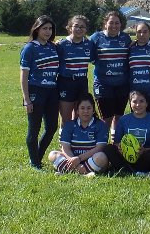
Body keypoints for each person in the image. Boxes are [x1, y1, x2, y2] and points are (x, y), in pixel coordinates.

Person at [20, 15, 60, 169]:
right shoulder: (30, 48)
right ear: (36, 29)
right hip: (36, 91)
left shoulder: (53, 47)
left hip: (52, 92)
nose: (48, 31)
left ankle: (37, 156)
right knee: (34, 128)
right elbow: (23, 76)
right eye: (45, 28)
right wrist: (26, 99)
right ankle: (35, 162)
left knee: (51, 127)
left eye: (50, 29)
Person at [89, 11, 132, 139]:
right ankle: (100, 146)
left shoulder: (125, 38)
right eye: (111, 22)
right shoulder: (96, 37)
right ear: (105, 24)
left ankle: (115, 145)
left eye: (117, 23)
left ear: (121, 24)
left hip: (122, 84)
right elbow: (88, 54)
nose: (114, 25)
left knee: (119, 116)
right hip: (103, 84)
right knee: (106, 118)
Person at [103, 90, 150, 176]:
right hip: (126, 157)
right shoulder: (123, 120)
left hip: (144, 157)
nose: (138, 105)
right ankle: (134, 172)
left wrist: (144, 150)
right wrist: (121, 148)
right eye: (134, 101)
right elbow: (115, 143)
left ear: (147, 103)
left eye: (141, 101)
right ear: (130, 103)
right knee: (108, 148)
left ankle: (129, 170)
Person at [48, 93, 109, 176]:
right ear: (77, 111)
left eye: (89, 108)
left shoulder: (100, 125)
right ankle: (85, 173)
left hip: (91, 159)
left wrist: (79, 158)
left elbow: (99, 148)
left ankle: (67, 171)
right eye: (82, 108)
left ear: (93, 110)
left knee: (102, 157)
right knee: (52, 154)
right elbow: (65, 148)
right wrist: (72, 159)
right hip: (73, 158)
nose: (86, 111)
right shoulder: (69, 125)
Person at [56, 15, 96, 126]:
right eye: (76, 26)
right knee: (66, 118)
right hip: (66, 82)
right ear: (69, 28)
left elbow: (94, 60)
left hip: (82, 82)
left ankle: (77, 142)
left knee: (81, 116)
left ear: (86, 29)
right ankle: (64, 143)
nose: (79, 29)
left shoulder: (89, 44)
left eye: (82, 27)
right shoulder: (61, 44)